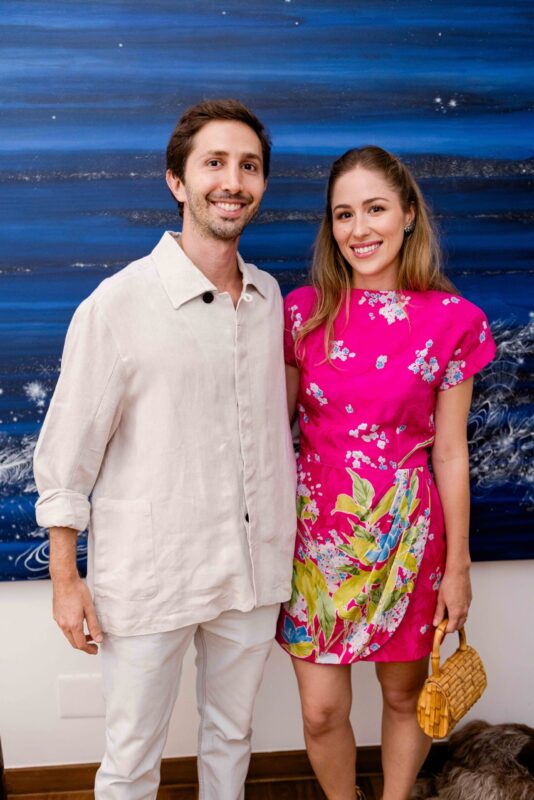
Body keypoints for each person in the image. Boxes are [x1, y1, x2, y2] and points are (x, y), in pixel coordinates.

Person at [33, 98, 297, 800]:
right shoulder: (117, 304)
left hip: (250, 571)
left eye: (249, 166)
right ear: (177, 181)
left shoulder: (271, 300)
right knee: (130, 761)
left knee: (232, 738)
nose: (232, 181)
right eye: (214, 163)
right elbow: (67, 453)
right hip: (152, 573)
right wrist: (65, 580)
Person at [275, 145, 496, 800]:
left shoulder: (452, 321)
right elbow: (273, 435)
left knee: (404, 700)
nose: (359, 229)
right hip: (315, 545)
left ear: (408, 215)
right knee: (321, 711)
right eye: (344, 214)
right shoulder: (302, 313)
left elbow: (450, 452)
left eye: (375, 209)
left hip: (409, 542)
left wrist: (458, 567)